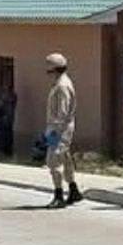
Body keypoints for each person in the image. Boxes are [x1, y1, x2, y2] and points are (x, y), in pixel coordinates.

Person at [43, 53, 82, 208]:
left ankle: (58, 195)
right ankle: (73, 190)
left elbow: (62, 112)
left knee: (53, 161)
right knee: (65, 159)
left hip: (59, 129)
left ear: (54, 70)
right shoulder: (61, 83)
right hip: (61, 128)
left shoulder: (62, 86)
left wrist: (53, 133)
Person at [0, 82, 17, 157]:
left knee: (5, 137)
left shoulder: (9, 97)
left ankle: (5, 152)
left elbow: (3, 107)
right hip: (5, 119)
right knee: (4, 136)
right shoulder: (7, 97)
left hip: (6, 120)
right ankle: (4, 151)